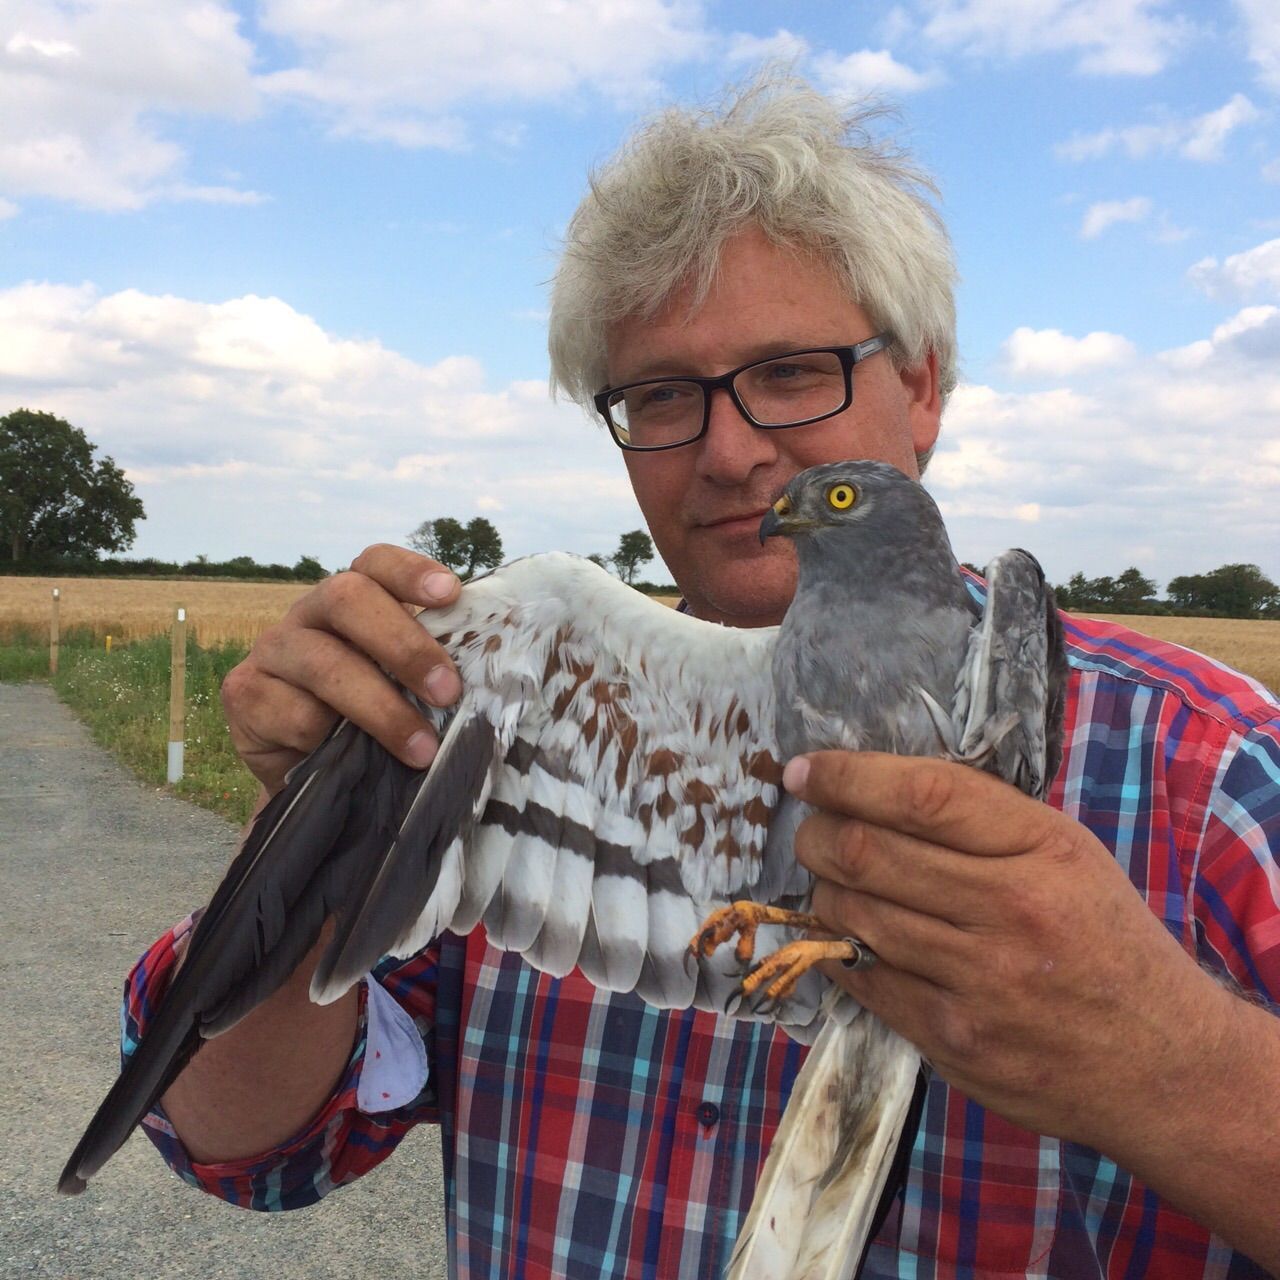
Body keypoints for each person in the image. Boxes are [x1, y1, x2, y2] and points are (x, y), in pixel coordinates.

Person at [122, 75, 1280, 1278]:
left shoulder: (1203, 770)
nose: (731, 453)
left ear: (923, 386)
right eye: (664, 396)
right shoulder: (532, 689)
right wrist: (318, 791)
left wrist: (1160, 1055)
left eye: (791, 371)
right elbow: (242, 1144)